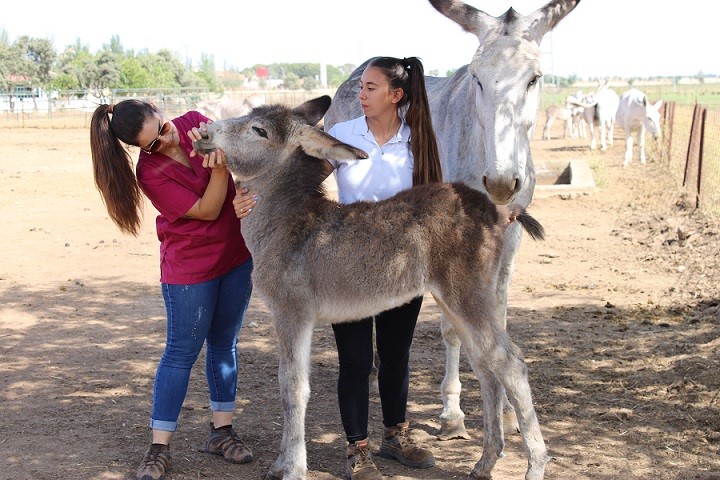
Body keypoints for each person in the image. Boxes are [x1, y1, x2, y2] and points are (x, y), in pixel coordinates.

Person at [89, 99, 258, 480]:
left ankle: (221, 431)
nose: (163, 143)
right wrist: (220, 170)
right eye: (150, 145)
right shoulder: (149, 173)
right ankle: (159, 447)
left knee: (225, 343)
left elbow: (246, 161)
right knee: (180, 353)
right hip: (190, 268)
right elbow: (210, 210)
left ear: (159, 111)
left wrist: (244, 191)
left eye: (162, 131)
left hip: (235, 257)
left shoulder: (197, 122)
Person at [324, 56, 443, 479]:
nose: (361, 94)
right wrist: (254, 198)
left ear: (396, 96)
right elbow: (300, 178)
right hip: (347, 265)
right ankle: (358, 450)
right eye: (361, 87)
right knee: (355, 361)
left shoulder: (418, 142)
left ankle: (396, 436)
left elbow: (437, 200)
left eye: (371, 88)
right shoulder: (341, 134)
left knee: (396, 355)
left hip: (402, 266)